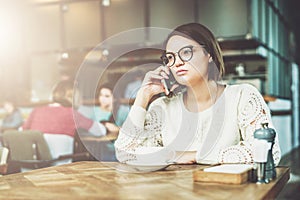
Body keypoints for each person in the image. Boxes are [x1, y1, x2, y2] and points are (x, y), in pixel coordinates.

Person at [114, 23, 281, 165]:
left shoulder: (242, 96)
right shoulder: (162, 107)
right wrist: (143, 97)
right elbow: (125, 153)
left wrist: (193, 155)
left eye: (186, 52)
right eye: (170, 57)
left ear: (208, 54)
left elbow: (269, 152)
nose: (177, 62)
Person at [22, 80, 106, 137]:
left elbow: (22, 131)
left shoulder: (36, 111)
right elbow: (101, 131)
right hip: (64, 161)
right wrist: (105, 125)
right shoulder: (72, 114)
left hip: (37, 162)